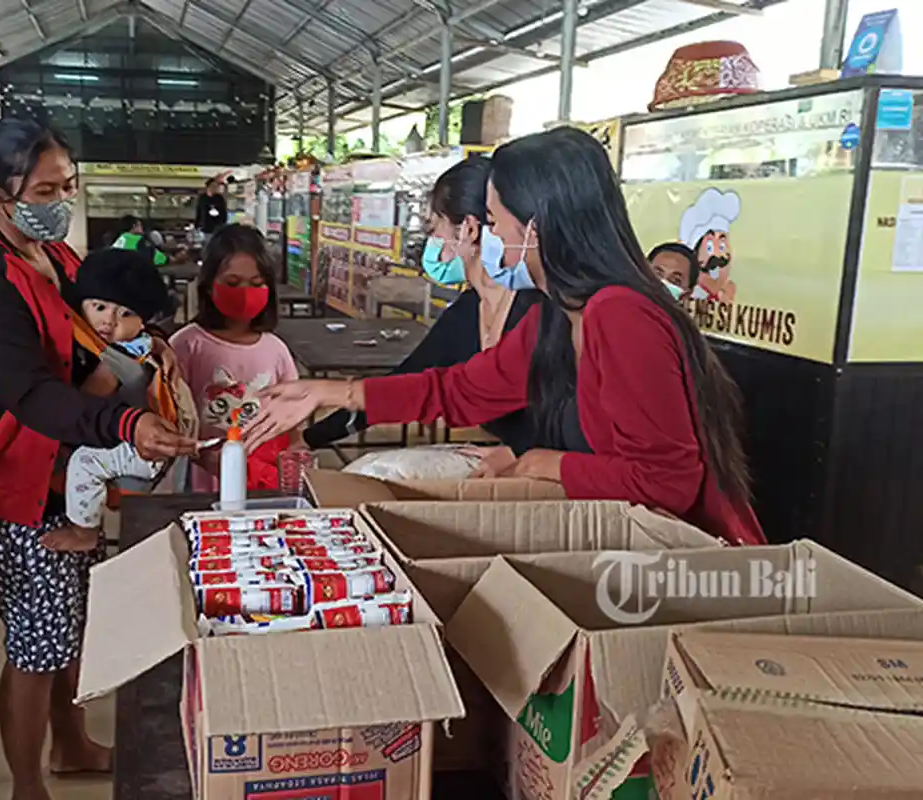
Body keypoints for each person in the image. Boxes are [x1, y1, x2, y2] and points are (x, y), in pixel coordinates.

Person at [246, 127, 764, 547]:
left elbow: (667, 484)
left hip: (682, 558)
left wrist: (544, 462)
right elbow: (461, 389)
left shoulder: (621, 317)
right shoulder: (559, 315)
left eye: (494, 222)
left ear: (534, 227)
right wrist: (328, 392)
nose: (489, 236)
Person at [0, 117, 198, 800]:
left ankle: (73, 744)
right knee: (36, 640)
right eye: (45, 190)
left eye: (67, 186)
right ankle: (27, 784)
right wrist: (125, 421)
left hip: (65, 469)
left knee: (67, 624)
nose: (60, 201)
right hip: (11, 480)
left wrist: (148, 341)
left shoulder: (57, 258)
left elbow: (100, 326)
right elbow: (32, 395)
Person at [303, 156, 542, 478]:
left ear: (469, 229)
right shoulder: (467, 313)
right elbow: (405, 386)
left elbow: (576, 417)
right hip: (511, 463)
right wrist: (308, 438)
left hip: (552, 473)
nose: (432, 240)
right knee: (371, 471)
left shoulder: (538, 313)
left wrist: (520, 451)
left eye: (434, 227)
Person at [62, 247, 196, 550]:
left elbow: (84, 405)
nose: (109, 321)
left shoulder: (117, 358)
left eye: (125, 314)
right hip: (158, 444)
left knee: (84, 462)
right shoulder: (144, 343)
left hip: (143, 449)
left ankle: (83, 532)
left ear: (143, 321)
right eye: (99, 307)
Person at [171, 223, 296, 492]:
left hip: (261, 486)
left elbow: (293, 416)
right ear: (208, 286)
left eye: (256, 284)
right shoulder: (186, 345)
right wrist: (201, 456)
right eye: (232, 283)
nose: (245, 293)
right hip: (201, 486)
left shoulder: (276, 350)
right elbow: (169, 417)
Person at [194, 176, 228, 241]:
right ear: (208, 187)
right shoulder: (202, 198)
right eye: (213, 186)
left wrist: (222, 225)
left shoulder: (219, 198)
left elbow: (224, 213)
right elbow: (198, 211)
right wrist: (196, 225)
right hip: (204, 228)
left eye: (216, 186)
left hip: (216, 229)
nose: (215, 188)